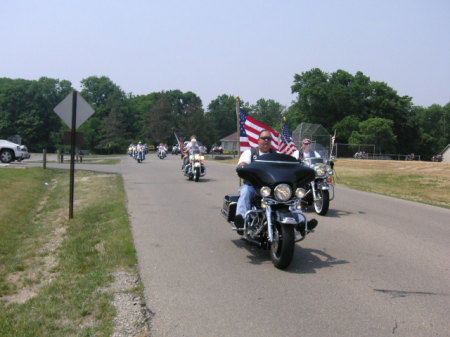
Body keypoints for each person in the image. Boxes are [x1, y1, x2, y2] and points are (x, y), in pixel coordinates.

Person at [234, 130, 276, 229]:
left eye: (269, 138)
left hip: (271, 187)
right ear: (258, 140)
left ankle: (300, 222)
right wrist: (242, 166)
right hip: (253, 186)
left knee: (290, 195)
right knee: (246, 191)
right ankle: (241, 220)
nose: (266, 140)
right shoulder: (250, 153)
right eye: (264, 138)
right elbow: (243, 163)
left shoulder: (276, 154)